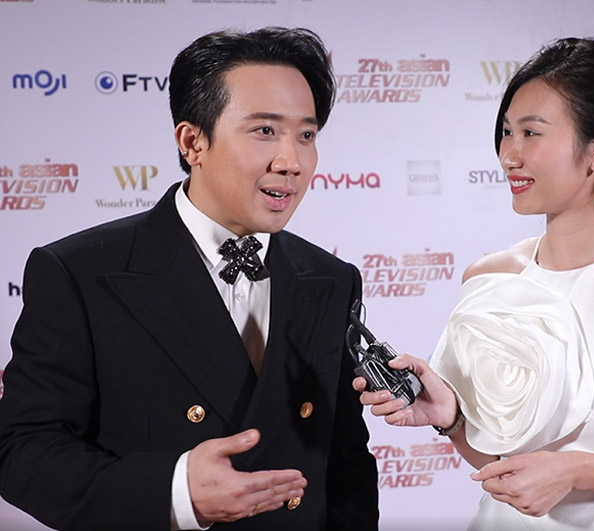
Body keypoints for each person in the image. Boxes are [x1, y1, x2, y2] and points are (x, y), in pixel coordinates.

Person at [0, 27, 378, 531]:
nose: (291, 162)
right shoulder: (79, 271)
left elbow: (346, 464)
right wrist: (176, 492)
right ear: (193, 141)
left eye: (306, 136)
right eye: (265, 131)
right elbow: (23, 451)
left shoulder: (332, 279)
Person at [355, 37, 594, 530]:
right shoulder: (489, 277)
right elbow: (504, 466)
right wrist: (451, 419)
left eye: (531, 133)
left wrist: (578, 471)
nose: (509, 155)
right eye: (506, 132)